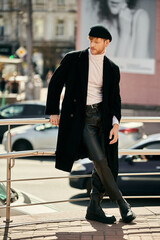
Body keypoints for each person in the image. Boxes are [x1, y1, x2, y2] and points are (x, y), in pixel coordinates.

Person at [45, 25, 136, 224]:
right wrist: (53, 111)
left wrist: (115, 124)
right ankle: (122, 204)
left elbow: (114, 99)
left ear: (106, 43)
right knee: (101, 160)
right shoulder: (74, 59)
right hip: (81, 118)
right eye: (90, 40)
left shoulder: (112, 68)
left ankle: (94, 208)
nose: (92, 44)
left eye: (97, 41)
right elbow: (55, 83)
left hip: (102, 119)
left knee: (104, 163)